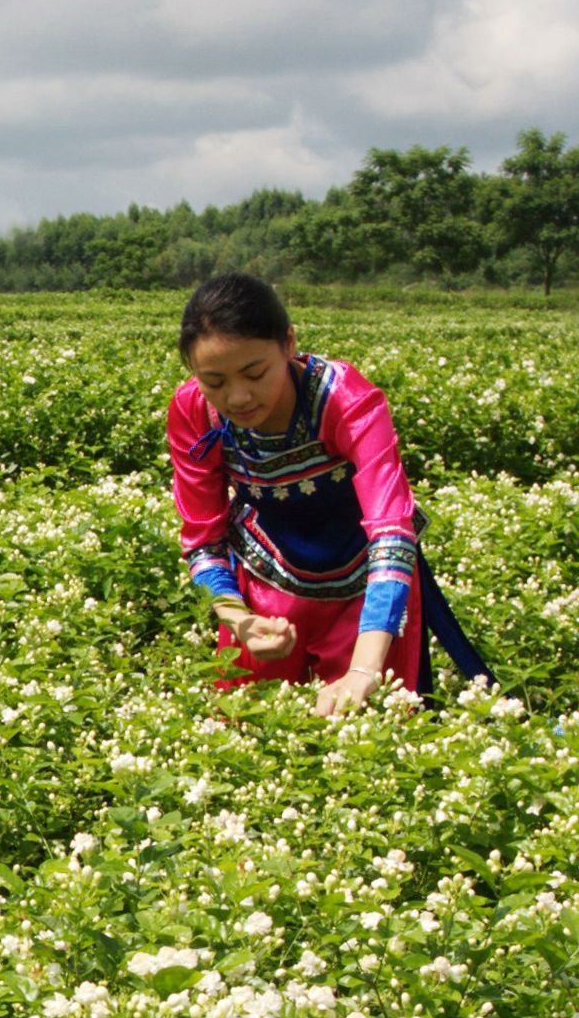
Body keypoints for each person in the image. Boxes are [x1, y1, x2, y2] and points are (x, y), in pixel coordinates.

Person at [170, 273, 493, 712]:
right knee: (253, 720)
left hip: (367, 589)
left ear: (289, 343)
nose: (238, 397)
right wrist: (240, 620)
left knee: (369, 724)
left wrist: (364, 668)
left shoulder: (344, 399)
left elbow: (392, 532)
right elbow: (203, 541)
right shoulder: (194, 411)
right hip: (267, 584)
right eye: (214, 381)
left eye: (255, 373)